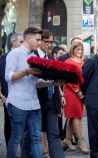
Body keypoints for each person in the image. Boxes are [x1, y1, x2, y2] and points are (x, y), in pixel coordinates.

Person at [5, 27, 43, 158]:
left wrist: (53, 83)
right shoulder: (14, 53)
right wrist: (26, 72)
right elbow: (8, 77)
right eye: (38, 40)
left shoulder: (34, 56)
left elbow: (35, 82)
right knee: (16, 138)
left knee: (36, 138)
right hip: (17, 103)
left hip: (34, 104)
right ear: (28, 38)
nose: (40, 42)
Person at [29, 29, 65, 158]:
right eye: (46, 41)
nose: (49, 44)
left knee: (54, 134)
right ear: (39, 41)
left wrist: (60, 95)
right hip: (36, 101)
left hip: (52, 101)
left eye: (51, 42)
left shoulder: (50, 57)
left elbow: (54, 80)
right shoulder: (31, 56)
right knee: (35, 134)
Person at [63, 42, 89, 153]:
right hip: (71, 92)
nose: (80, 52)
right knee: (76, 116)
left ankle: (67, 140)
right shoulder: (68, 62)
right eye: (77, 49)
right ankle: (81, 141)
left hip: (80, 91)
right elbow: (68, 79)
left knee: (73, 117)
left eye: (81, 50)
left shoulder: (83, 61)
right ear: (72, 50)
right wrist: (78, 92)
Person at [0, 32, 23, 148]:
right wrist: (1, 95)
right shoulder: (3, 58)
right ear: (13, 42)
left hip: (25, 99)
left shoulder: (27, 57)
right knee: (9, 126)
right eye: (21, 42)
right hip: (9, 99)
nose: (23, 44)